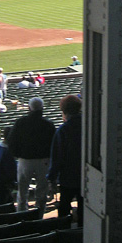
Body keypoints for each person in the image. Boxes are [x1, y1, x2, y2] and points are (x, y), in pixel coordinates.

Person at [8, 97, 56, 217]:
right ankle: (39, 215)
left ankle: (21, 215)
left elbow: (11, 141)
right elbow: (54, 144)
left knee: (22, 191)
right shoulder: (48, 124)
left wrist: (17, 155)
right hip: (44, 161)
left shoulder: (21, 122)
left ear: (29, 108)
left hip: (25, 161)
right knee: (42, 191)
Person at [47, 94, 83, 225]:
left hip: (68, 177)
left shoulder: (63, 130)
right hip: (85, 175)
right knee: (84, 208)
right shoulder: (89, 125)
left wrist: (51, 178)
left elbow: (57, 157)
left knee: (64, 209)